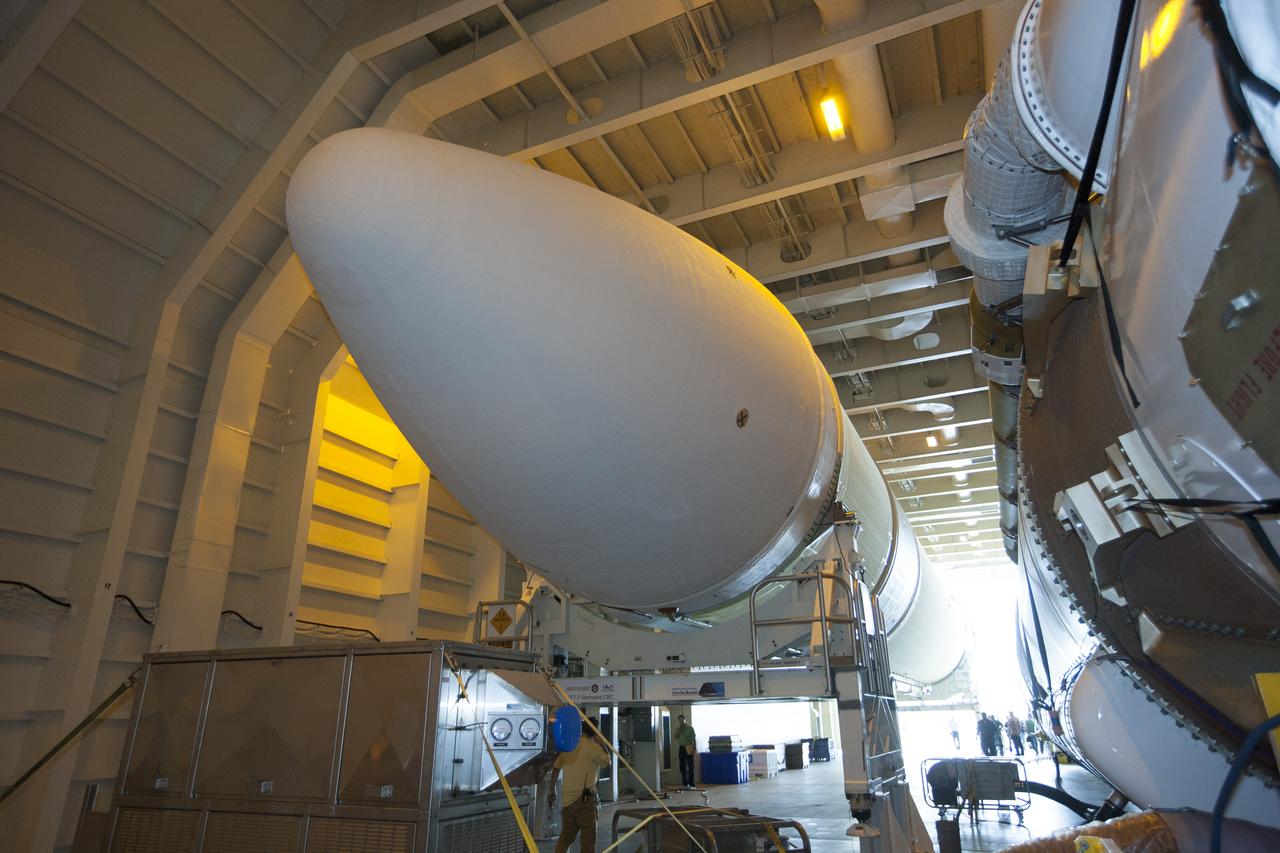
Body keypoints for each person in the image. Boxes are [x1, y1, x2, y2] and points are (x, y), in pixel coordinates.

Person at [549, 715, 609, 853]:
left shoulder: (569, 745)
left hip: (567, 800)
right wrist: (602, 742)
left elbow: (556, 767)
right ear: (594, 731)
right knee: (588, 840)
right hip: (586, 800)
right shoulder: (592, 747)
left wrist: (552, 789)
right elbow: (607, 762)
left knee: (566, 837)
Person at [675, 714, 697, 788]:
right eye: (679, 720)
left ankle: (691, 783)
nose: (681, 721)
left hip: (689, 746)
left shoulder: (689, 728)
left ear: (684, 719)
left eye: (682, 720)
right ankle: (685, 783)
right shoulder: (678, 728)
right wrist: (678, 730)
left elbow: (694, 738)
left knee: (690, 765)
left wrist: (694, 748)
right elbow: (675, 737)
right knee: (682, 766)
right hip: (681, 747)